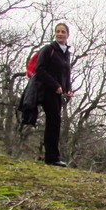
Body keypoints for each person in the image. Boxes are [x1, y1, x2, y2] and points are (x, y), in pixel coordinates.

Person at [35, 22, 74, 166]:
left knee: (54, 123)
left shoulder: (66, 53)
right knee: (54, 122)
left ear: (67, 35)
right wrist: (55, 85)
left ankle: (52, 157)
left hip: (57, 92)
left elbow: (66, 72)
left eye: (63, 32)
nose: (60, 34)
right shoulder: (48, 49)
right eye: (58, 31)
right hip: (46, 90)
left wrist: (68, 88)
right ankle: (52, 158)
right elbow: (40, 70)